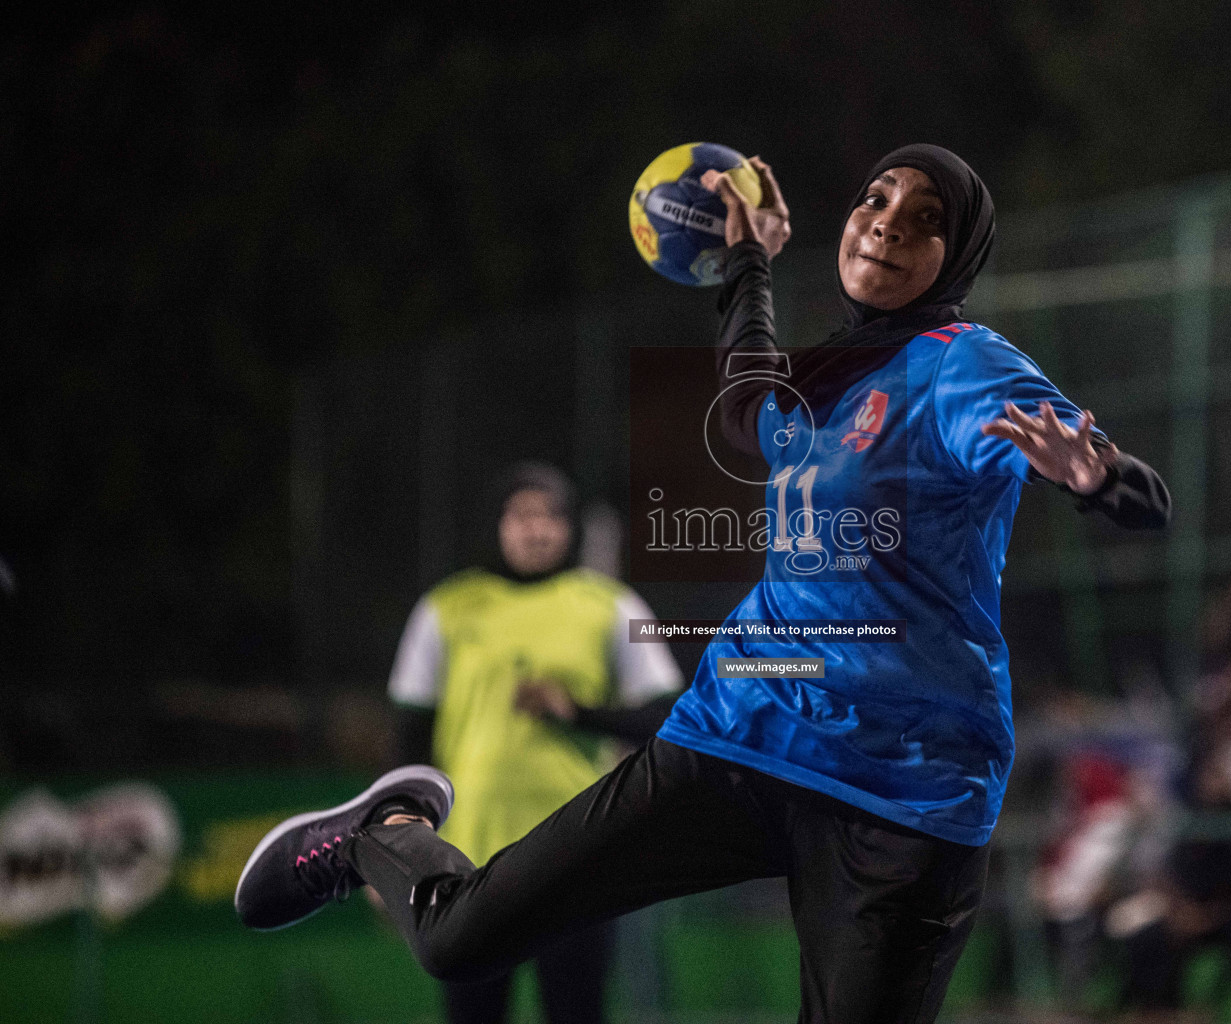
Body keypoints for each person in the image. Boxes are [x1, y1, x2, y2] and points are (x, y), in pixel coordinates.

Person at [235, 144, 1170, 1024]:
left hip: (906, 788)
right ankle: (379, 831)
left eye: (924, 218)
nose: (886, 224)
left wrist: (1096, 479)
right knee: (457, 939)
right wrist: (748, 263)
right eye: (874, 200)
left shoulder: (967, 365)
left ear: (956, 252)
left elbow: (1132, 491)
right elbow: (741, 417)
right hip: (744, 732)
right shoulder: (831, 378)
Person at [386, 462, 684, 1024]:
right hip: (466, 860)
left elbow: (668, 714)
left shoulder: (608, 605)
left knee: (575, 1012)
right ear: (497, 524)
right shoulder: (446, 607)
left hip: (578, 855)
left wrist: (576, 711)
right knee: (473, 1012)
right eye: (522, 515)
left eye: (550, 516)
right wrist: (395, 850)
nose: (536, 529)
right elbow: (409, 735)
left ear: (570, 528)